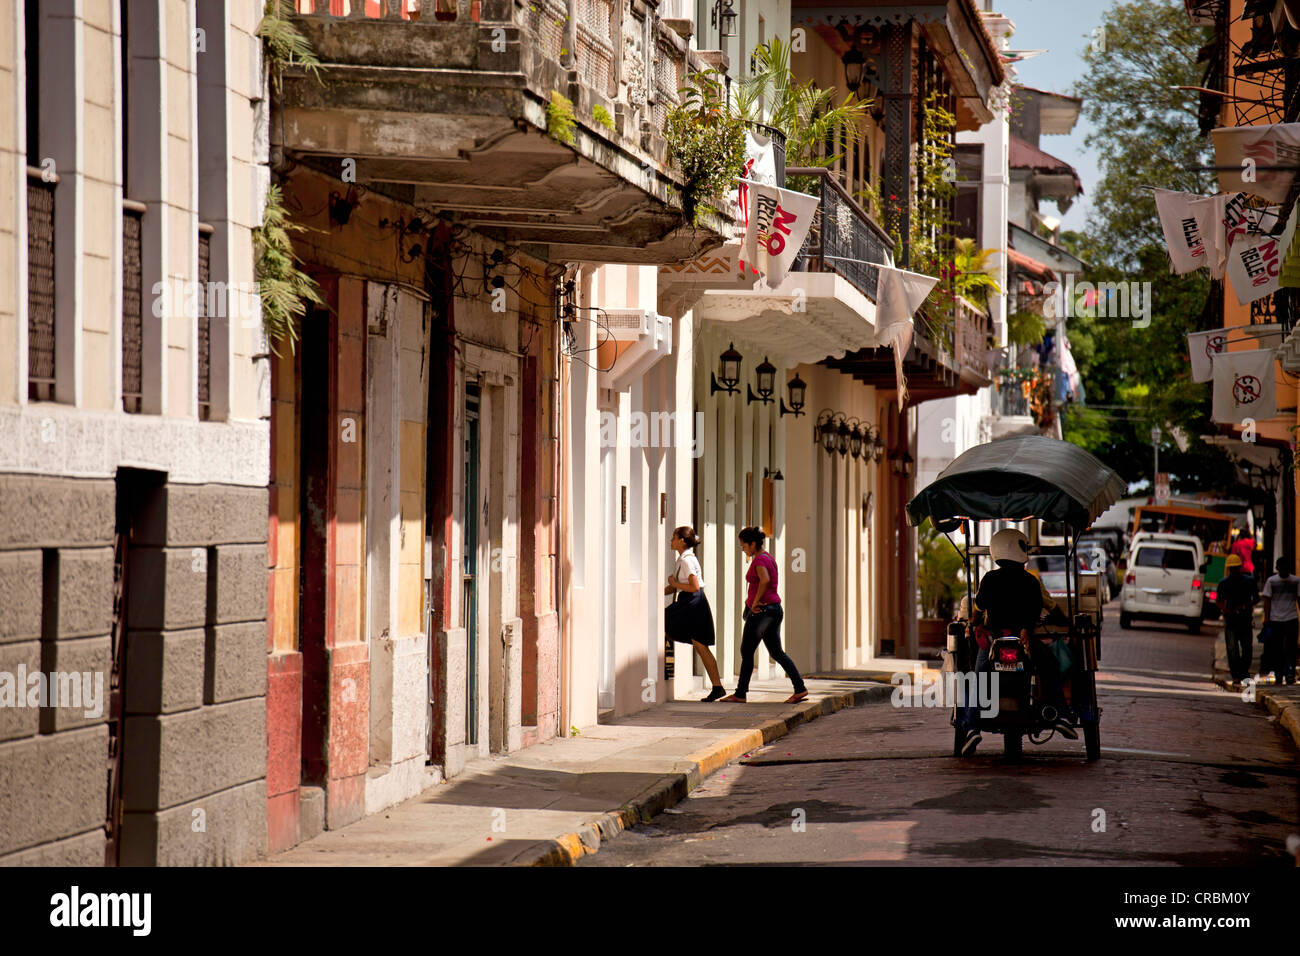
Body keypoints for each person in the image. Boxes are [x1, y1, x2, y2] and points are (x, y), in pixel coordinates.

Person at [960, 528, 1075, 756]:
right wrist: (1025, 629)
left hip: (994, 641)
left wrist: (973, 623)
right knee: (1049, 667)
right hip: (1025, 640)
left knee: (976, 678)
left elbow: (978, 609)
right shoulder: (1030, 582)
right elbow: (1036, 612)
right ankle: (1061, 715)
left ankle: (972, 726)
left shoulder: (990, 579)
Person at [720, 527, 807, 704]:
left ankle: (740, 693)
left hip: (763, 612)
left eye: (743, 546)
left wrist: (755, 602)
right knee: (776, 652)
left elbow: (765, 580)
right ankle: (799, 688)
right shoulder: (769, 558)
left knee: (747, 651)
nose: (743, 549)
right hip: (774, 610)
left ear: (752, 544)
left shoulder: (759, 560)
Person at [663, 526, 726, 702]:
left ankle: (717, 686)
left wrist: (674, 585)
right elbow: (679, 584)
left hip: (692, 602)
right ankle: (717, 687)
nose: (671, 541)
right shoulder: (685, 558)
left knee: (665, 623)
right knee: (700, 645)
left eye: (673, 538)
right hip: (691, 601)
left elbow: (694, 586)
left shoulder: (686, 561)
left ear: (681, 540)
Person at [1216, 554, 1257, 684]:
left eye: (1235, 568)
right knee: (1232, 648)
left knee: (1246, 649)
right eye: (1232, 568)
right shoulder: (1224, 583)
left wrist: (1246, 606)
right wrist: (1228, 611)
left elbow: (1255, 598)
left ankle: (1243, 673)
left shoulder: (1249, 581)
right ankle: (1236, 675)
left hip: (1244, 619)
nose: (1233, 571)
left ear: (1239, 568)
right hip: (1232, 620)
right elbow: (1220, 602)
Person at [1261, 556, 1299, 685]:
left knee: (1291, 648)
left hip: (1291, 617)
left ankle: (1289, 673)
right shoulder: (1271, 581)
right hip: (1276, 619)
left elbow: (1299, 599)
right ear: (1277, 568)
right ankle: (1279, 674)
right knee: (1277, 649)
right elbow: (1267, 600)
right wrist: (1266, 618)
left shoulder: (1296, 581)